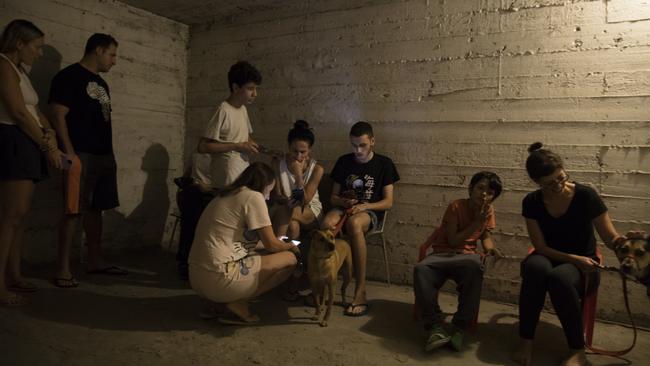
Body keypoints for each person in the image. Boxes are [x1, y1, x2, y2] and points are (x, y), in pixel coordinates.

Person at [513, 142, 634, 366]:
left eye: (561, 177)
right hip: (551, 255)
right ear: (536, 182)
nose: (558, 185)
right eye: (549, 184)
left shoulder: (585, 195)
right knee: (534, 268)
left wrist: (628, 243)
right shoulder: (531, 202)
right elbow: (540, 247)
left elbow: (610, 237)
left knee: (560, 279)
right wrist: (570, 258)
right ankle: (526, 340)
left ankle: (577, 350)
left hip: (584, 261)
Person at [49, 33, 123, 288]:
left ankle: (94, 260)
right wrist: (69, 152)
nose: (114, 61)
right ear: (99, 50)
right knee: (73, 210)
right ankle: (63, 269)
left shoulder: (102, 84)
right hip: (80, 153)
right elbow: (57, 115)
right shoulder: (68, 77)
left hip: (103, 154)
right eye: (112, 54)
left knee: (96, 208)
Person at [0, 19, 63, 306]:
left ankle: (14, 274)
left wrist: (48, 132)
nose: (39, 53)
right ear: (19, 43)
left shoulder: (21, 72)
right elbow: (17, 112)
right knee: (11, 216)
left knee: (21, 216)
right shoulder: (2, 65)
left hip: (27, 141)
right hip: (13, 140)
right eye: (36, 46)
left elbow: (36, 111)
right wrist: (45, 143)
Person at [188, 162, 299, 324]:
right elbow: (272, 245)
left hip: (197, 277)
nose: (268, 197)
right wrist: (291, 246)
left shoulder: (225, 195)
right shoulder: (253, 196)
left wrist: (273, 244)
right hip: (220, 277)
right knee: (290, 260)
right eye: (269, 190)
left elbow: (240, 242)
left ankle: (217, 304)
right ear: (263, 186)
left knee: (259, 254)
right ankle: (238, 302)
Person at [413, 171, 503, 352]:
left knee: (475, 266)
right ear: (470, 189)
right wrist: (476, 222)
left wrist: (489, 248)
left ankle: (459, 328)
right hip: (442, 255)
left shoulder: (488, 211)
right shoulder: (455, 206)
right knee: (421, 269)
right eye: (480, 188)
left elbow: (485, 235)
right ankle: (434, 327)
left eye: (491, 192)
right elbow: (453, 240)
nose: (484, 194)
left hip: (466, 257)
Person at [321, 121, 399, 316]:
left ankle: (360, 289)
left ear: (372, 141)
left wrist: (366, 205)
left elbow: (388, 202)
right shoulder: (344, 161)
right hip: (345, 207)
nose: (357, 150)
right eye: (354, 145)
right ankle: (323, 283)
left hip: (369, 212)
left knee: (354, 223)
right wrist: (344, 202)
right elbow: (333, 197)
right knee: (326, 224)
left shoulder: (384, 164)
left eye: (362, 145)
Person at [198, 61, 261, 189]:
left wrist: (260, 148)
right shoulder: (223, 110)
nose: (255, 94)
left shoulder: (243, 109)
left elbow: (243, 137)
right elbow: (203, 147)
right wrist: (237, 146)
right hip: (226, 174)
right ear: (236, 87)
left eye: (256, 88)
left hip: (242, 170)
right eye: (250, 88)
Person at [270, 119, 324, 240]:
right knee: (293, 226)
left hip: (309, 211)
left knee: (287, 211)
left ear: (309, 150)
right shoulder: (277, 162)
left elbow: (305, 201)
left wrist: (298, 175)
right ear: (288, 147)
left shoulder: (317, 169)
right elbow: (276, 195)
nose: (299, 156)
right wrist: (285, 200)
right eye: (295, 151)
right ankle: (293, 254)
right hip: (284, 207)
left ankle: (274, 247)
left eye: (303, 152)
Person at [176, 153, 213, 280]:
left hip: (194, 193)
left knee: (189, 229)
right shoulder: (222, 157)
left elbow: (187, 174)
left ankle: (186, 262)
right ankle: (193, 263)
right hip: (205, 195)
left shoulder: (197, 153)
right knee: (199, 230)